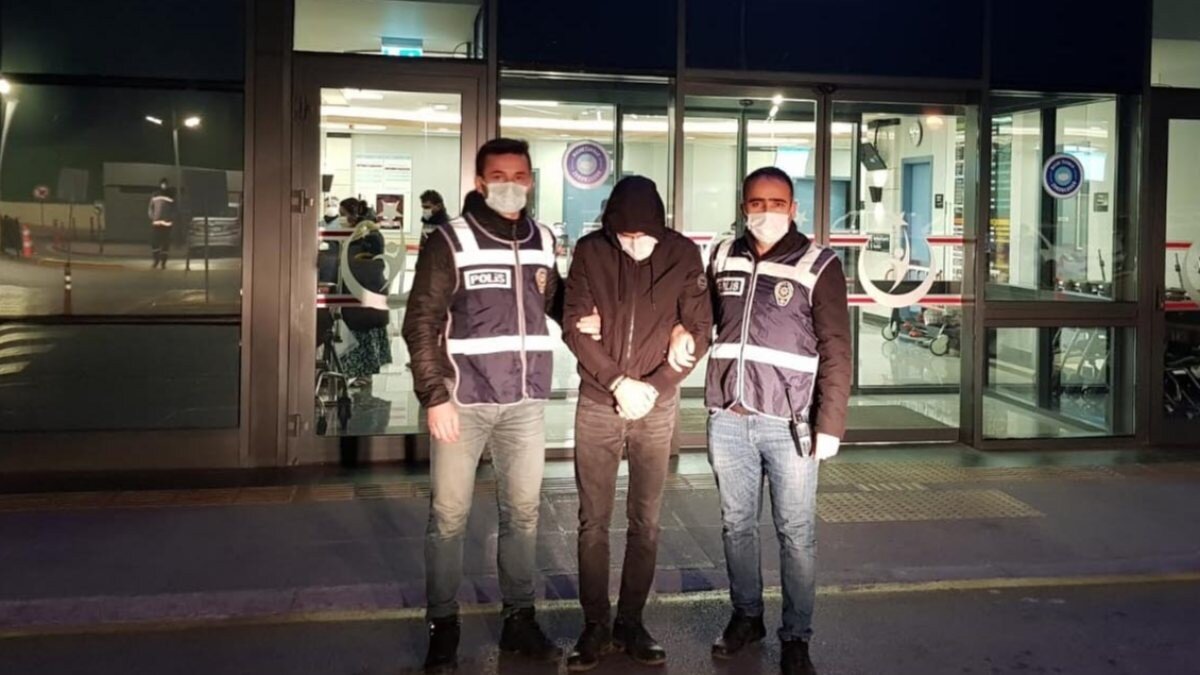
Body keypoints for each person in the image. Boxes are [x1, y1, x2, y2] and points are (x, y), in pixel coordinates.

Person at [402, 138, 597, 674]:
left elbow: (552, 301)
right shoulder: (451, 239)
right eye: (499, 175)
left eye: (520, 175)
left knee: (523, 515)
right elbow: (420, 321)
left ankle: (519, 620)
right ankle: (443, 627)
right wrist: (434, 396)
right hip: (462, 402)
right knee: (448, 517)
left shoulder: (543, 238)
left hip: (525, 403)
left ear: (530, 180)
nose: (511, 184)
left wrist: (585, 317)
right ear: (480, 181)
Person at [672, 167, 850, 675]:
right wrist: (679, 329)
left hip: (790, 423)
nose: (766, 212)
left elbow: (837, 347)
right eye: (756, 202)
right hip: (729, 417)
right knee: (737, 526)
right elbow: (701, 319)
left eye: (776, 203)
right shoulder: (722, 255)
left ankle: (796, 637)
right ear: (743, 207)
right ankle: (747, 616)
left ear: (793, 209)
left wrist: (831, 422)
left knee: (796, 534)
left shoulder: (819, 264)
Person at [561, 175, 713, 671]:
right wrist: (617, 382)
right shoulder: (590, 251)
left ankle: (631, 621)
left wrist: (655, 385)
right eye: (624, 236)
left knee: (645, 521)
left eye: (642, 235)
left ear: (659, 226)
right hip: (598, 402)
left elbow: (700, 330)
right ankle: (594, 625)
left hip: (655, 404)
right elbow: (574, 327)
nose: (633, 244)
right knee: (593, 521)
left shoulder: (682, 254)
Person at [337, 197, 392, 384]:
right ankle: (358, 372)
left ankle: (364, 373)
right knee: (360, 333)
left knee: (364, 333)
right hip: (361, 288)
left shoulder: (368, 235)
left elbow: (368, 262)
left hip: (365, 289)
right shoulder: (358, 234)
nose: (341, 218)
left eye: (343, 214)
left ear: (353, 215)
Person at [147, 178, 177, 269]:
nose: (164, 185)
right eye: (163, 184)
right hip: (156, 223)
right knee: (154, 243)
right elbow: (150, 207)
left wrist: (171, 218)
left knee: (165, 244)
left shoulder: (171, 195)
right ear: (160, 184)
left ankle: (163, 263)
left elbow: (174, 209)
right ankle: (156, 260)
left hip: (167, 224)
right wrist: (152, 217)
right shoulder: (155, 194)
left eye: (165, 184)